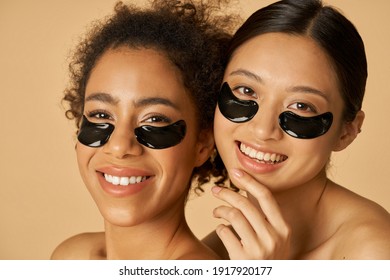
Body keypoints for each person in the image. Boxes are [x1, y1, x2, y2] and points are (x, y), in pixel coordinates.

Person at [203, 0, 390, 259]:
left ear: (347, 131)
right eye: (246, 91)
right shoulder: (215, 252)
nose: (263, 130)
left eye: (302, 106)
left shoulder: (375, 252)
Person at [51, 0, 235, 260]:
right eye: (101, 114)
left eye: (155, 120)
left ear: (202, 144)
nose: (119, 145)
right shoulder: (73, 257)